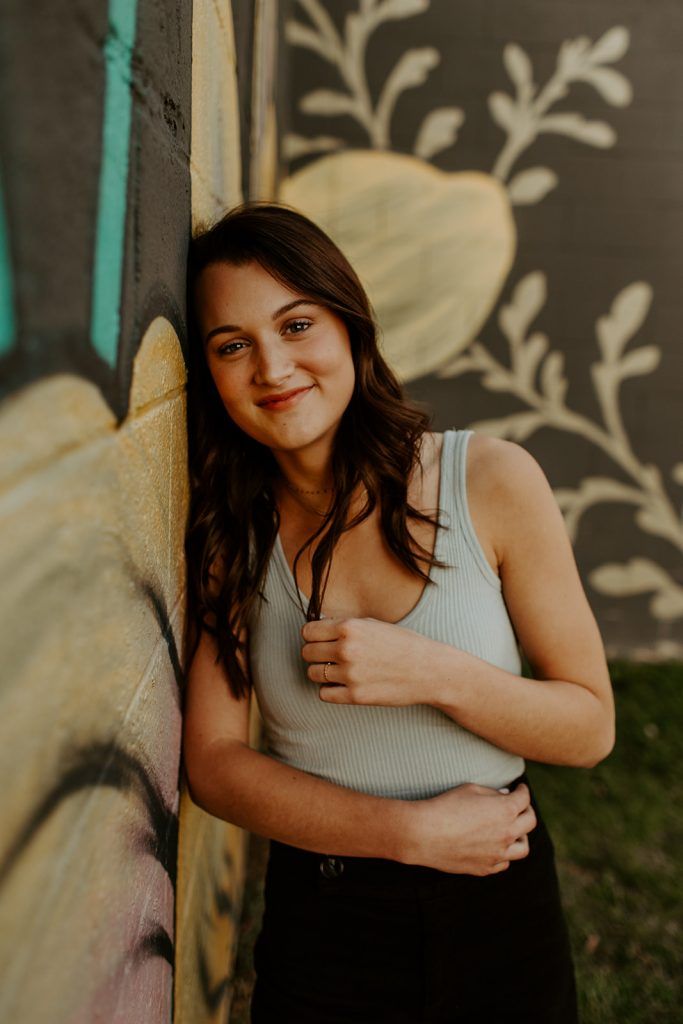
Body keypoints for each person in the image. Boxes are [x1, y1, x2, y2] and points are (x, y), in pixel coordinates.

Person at [181, 199, 615, 1023]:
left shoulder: (487, 480)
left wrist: (431, 670)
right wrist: (404, 834)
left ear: (348, 325)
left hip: (497, 896)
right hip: (324, 914)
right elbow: (213, 762)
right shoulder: (229, 534)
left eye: (296, 324)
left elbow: (589, 727)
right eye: (232, 346)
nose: (272, 367)